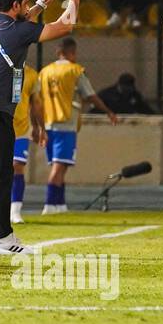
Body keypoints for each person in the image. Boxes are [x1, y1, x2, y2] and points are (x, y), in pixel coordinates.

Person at [0, 0, 81, 256]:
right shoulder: (20, 31)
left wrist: (42, 2)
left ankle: (5, 237)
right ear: (15, 6)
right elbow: (67, 26)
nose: (29, 7)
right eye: (25, 3)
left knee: (4, 173)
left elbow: (20, 21)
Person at [39, 37, 119, 214]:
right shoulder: (75, 71)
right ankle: (50, 204)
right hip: (66, 123)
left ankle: (60, 205)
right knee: (59, 166)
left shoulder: (44, 72)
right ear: (72, 53)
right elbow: (90, 95)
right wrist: (108, 111)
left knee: (60, 165)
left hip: (48, 123)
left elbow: (37, 99)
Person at [8, 62, 44, 226]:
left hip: (21, 130)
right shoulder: (0, 67)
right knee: (0, 170)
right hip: (0, 128)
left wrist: (39, 127)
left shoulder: (31, 74)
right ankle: (0, 209)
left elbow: (35, 103)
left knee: (17, 165)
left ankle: (15, 211)